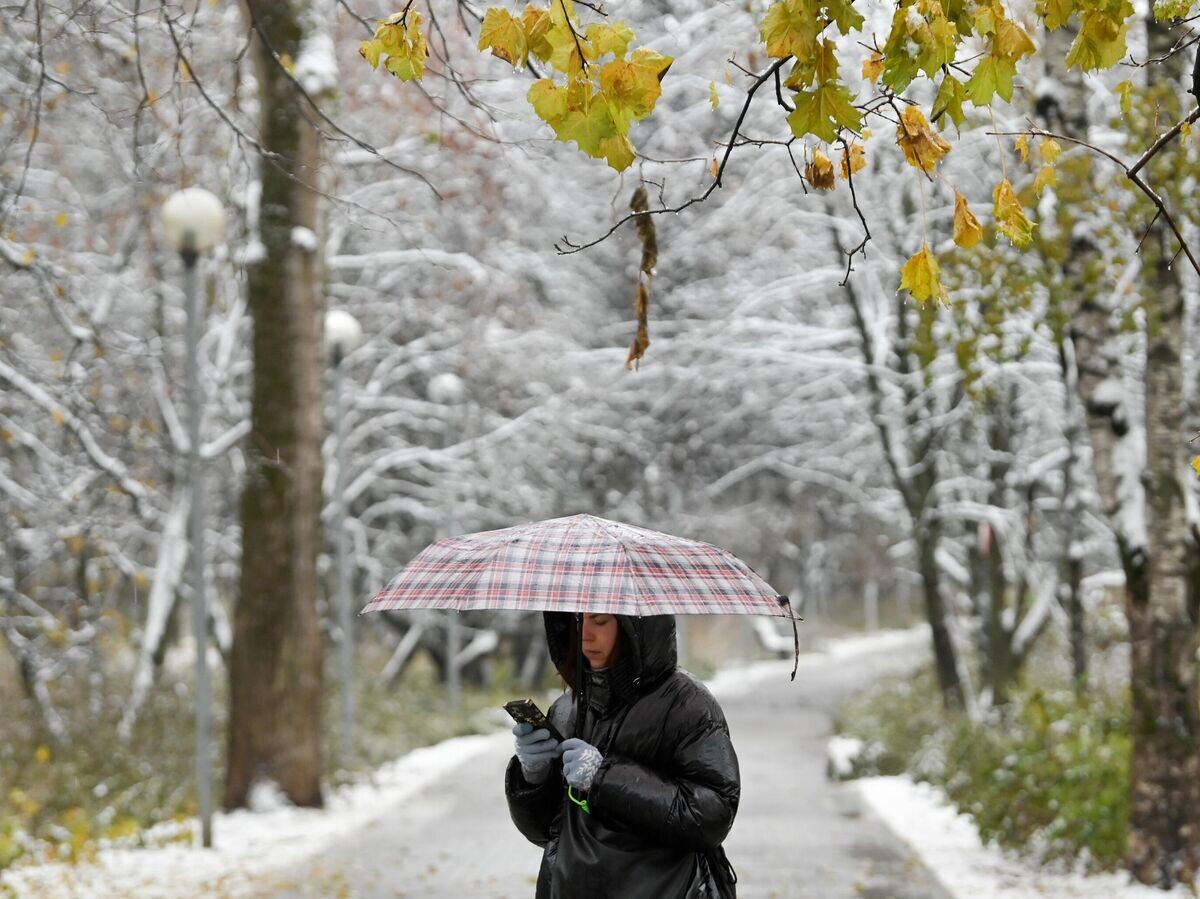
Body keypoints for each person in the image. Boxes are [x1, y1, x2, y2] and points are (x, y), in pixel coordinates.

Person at [505, 611, 740, 899]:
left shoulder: (687, 706)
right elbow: (546, 832)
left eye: (600, 621)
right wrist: (533, 777)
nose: (585, 634)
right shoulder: (568, 709)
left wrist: (603, 777)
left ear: (636, 628)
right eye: (579, 621)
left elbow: (711, 816)